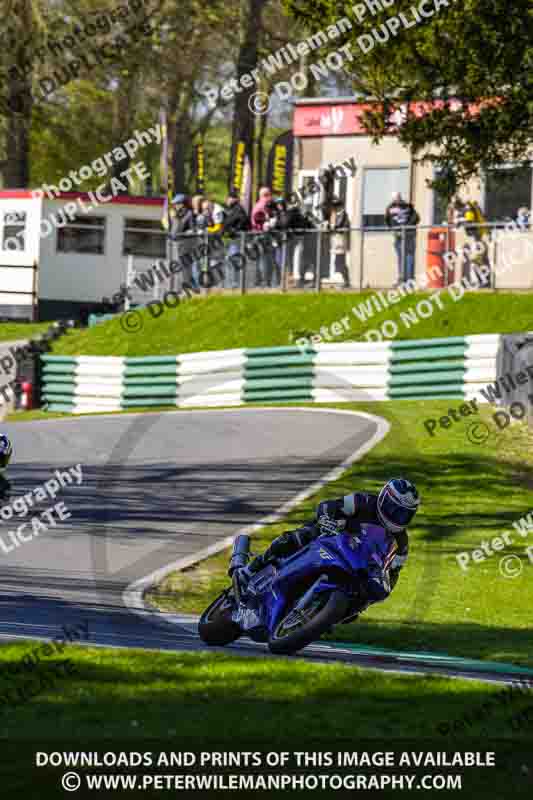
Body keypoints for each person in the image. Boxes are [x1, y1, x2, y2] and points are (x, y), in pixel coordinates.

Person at [231, 478, 420, 615]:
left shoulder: (401, 542)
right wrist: (326, 519)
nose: (396, 516)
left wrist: (383, 585)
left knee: (362, 599)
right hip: (331, 537)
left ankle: (319, 616)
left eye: (403, 514)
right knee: (299, 537)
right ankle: (250, 569)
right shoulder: (363, 501)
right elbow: (328, 505)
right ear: (383, 498)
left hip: (357, 563)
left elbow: (393, 573)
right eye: (393, 508)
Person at [385, 192, 420, 283]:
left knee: (406, 257)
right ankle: (405, 279)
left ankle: (407, 279)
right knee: (404, 257)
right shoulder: (406, 206)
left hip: (407, 235)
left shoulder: (402, 207)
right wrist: (397, 229)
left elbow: (416, 218)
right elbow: (416, 218)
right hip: (401, 235)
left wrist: (403, 228)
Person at [222, 190, 250, 289]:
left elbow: (243, 220)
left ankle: (235, 283)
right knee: (230, 259)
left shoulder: (238, 209)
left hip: (238, 240)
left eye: (229, 198)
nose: (227, 200)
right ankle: (232, 282)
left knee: (234, 260)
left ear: (234, 199)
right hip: (233, 240)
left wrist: (235, 230)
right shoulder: (232, 209)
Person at [251, 187, 276, 287]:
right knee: (264, 259)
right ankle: (265, 282)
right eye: (270, 194)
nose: (271, 197)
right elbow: (259, 219)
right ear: (266, 195)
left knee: (260, 259)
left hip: (257, 234)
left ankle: (258, 281)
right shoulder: (264, 205)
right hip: (262, 235)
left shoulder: (256, 205)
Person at [326, 196, 351, 288]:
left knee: (340, 262)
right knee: (338, 262)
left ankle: (346, 281)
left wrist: (334, 227)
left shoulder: (343, 214)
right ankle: (346, 281)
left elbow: (342, 226)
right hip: (335, 240)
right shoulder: (334, 215)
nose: (334, 208)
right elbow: (331, 227)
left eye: (336, 206)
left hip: (340, 240)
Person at [0, 433, 13, 498]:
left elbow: (7, 450)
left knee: (1, 469)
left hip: (5, 453)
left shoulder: (3, 439)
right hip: (4, 452)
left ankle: (5, 485)